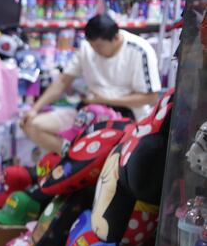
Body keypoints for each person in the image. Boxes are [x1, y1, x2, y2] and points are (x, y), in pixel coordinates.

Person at [20, 13, 162, 153]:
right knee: (31, 126)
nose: (94, 50)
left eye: (99, 46)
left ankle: (80, 158)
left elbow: (150, 97)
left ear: (116, 38)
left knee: (107, 148)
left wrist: (105, 100)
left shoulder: (139, 50)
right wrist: (34, 109)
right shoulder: (87, 48)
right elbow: (63, 81)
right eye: (92, 45)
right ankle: (74, 157)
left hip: (127, 118)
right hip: (87, 114)